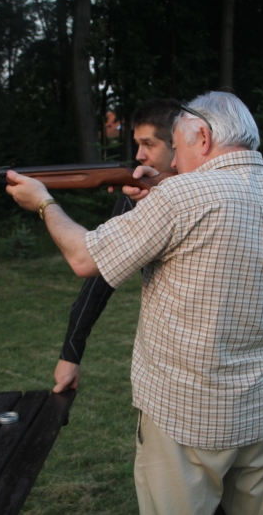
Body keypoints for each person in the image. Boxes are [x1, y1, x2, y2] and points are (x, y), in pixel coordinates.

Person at [6, 91, 263, 515]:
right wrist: (161, 189)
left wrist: (44, 203)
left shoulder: (180, 197)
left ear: (203, 137)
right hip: (261, 408)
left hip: (185, 415)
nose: (174, 163)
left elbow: (84, 258)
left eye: (176, 149)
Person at [53, 98, 181, 393]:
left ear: (177, 144)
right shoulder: (138, 194)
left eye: (148, 144)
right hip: (163, 368)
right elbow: (100, 277)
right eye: (137, 144)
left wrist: (43, 203)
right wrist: (71, 351)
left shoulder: (211, 192)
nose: (139, 155)